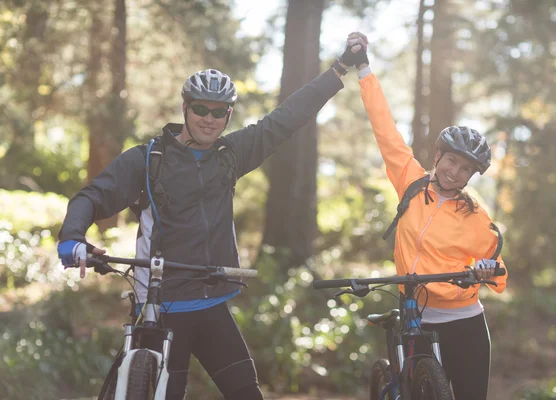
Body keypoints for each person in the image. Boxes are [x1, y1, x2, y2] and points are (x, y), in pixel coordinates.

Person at [57, 36, 367, 399]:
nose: (209, 118)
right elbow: (93, 196)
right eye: (201, 109)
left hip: (210, 301)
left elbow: (287, 118)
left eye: (219, 111)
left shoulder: (230, 155)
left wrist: (339, 68)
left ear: (228, 115)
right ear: (185, 108)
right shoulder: (147, 159)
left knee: (247, 393)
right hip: (159, 304)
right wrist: (72, 238)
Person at [349, 32, 508, 400]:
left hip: (465, 321)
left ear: (471, 176)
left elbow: (498, 268)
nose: (455, 172)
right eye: (451, 160)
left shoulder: (476, 217)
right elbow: (384, 129)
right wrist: (363, 70)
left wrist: (486, 269)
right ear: (438, 156)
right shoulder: (410, 182)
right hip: (416, 316)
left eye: (465, 168)